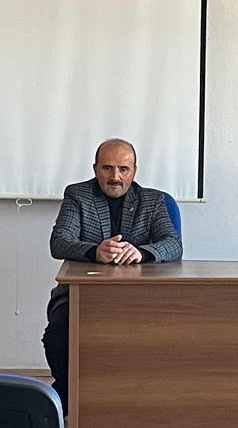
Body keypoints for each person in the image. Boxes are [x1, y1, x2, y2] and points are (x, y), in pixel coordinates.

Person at [41, 139, 182, 409]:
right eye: (107, 168)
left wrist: (141, 252)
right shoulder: (78, 195)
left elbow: (174, 244)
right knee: (59, 333)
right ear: (95, 168)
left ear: (134, 171)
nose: (115, 176)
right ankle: (70, 398)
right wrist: (95, 250)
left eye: (123, 169)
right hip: (81, 294)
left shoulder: (152, 200)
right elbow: (59, 242)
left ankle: (139, 401)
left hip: (140, 295)